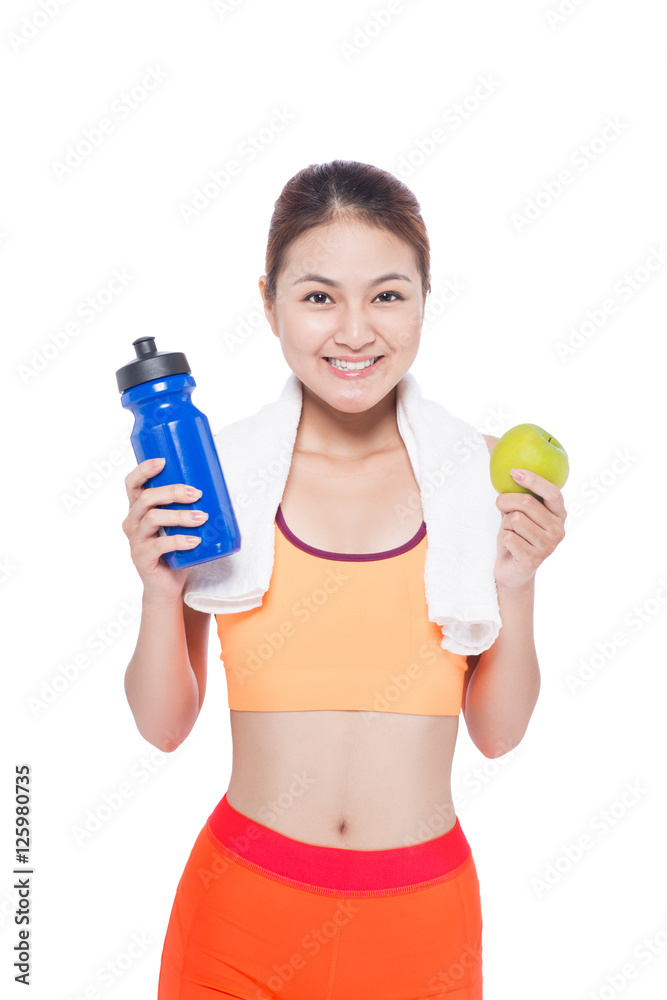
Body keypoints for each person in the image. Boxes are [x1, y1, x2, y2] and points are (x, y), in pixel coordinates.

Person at [121, 160, 567, 999]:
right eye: (319, 296)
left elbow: (498, 735)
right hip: (238, 920)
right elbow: (162, 725)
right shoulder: (220, 478)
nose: (354, 331)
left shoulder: (472, 478)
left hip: (419, 926)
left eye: (387, 296)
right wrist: (155, 589)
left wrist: (516, 579)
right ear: (269, 301)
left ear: (425, 300)